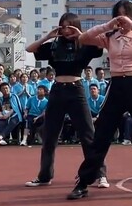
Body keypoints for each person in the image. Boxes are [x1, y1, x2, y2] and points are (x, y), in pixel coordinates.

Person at [69, 0, 132, 200]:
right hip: (116, 86)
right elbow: (83, 38)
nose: (120, 21)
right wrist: (109, 26)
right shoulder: (110, 37)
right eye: (117, 16)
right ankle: (83, 182)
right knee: (101, 135)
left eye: (124, 16)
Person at [22, 13, 109, 188]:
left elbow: (104, 45)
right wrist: (47, 36)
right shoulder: (54, 45)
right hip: (57, 91)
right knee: (50, 136)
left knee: (88, 135)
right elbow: (30, 49)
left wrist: (82, 35)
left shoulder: (85, 44)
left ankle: (100, 175)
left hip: (76, 90)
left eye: (70, 26)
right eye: (63, 26)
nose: (66, 29)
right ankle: (45, 176)